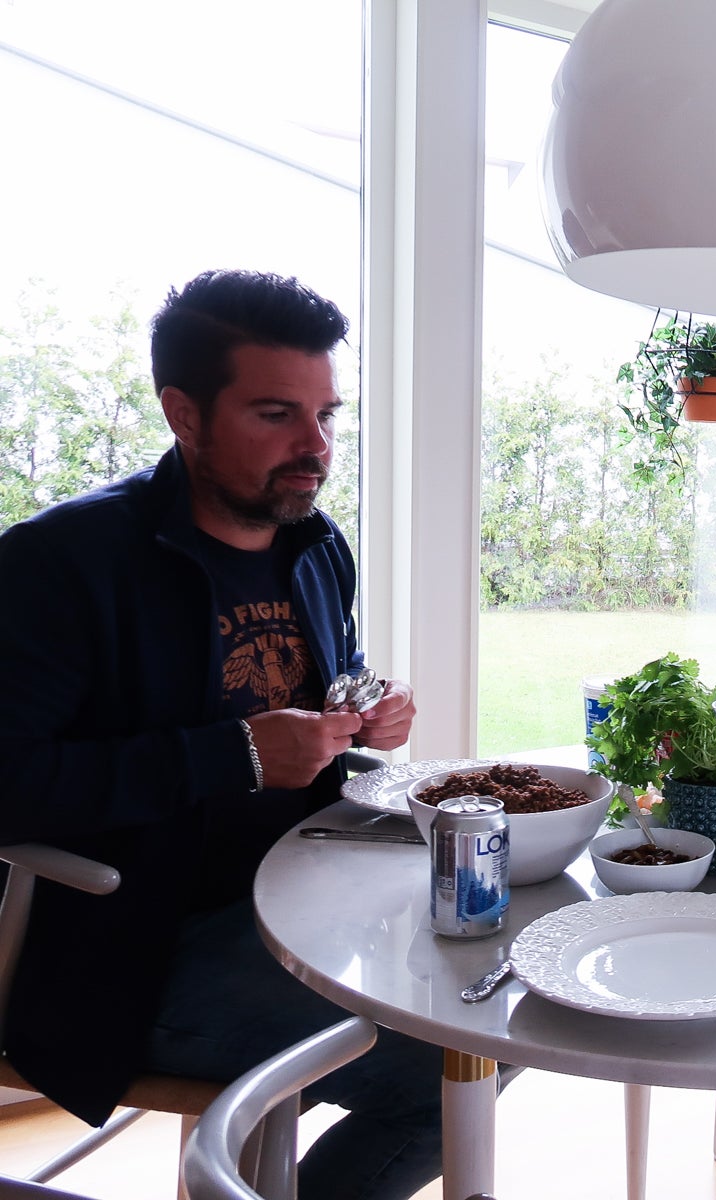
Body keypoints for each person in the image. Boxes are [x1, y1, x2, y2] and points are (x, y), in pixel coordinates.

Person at [0, 271, 444, 1200]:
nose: (315, 446)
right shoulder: (60, 564)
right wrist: (234, 754)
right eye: (277, 414)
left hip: (302, 898)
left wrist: (372, 703)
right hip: (125, 951)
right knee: (449, 1070)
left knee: (495, 987)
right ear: (184, 414)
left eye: (326, 414)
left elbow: (323, 681)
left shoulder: (314, 544)